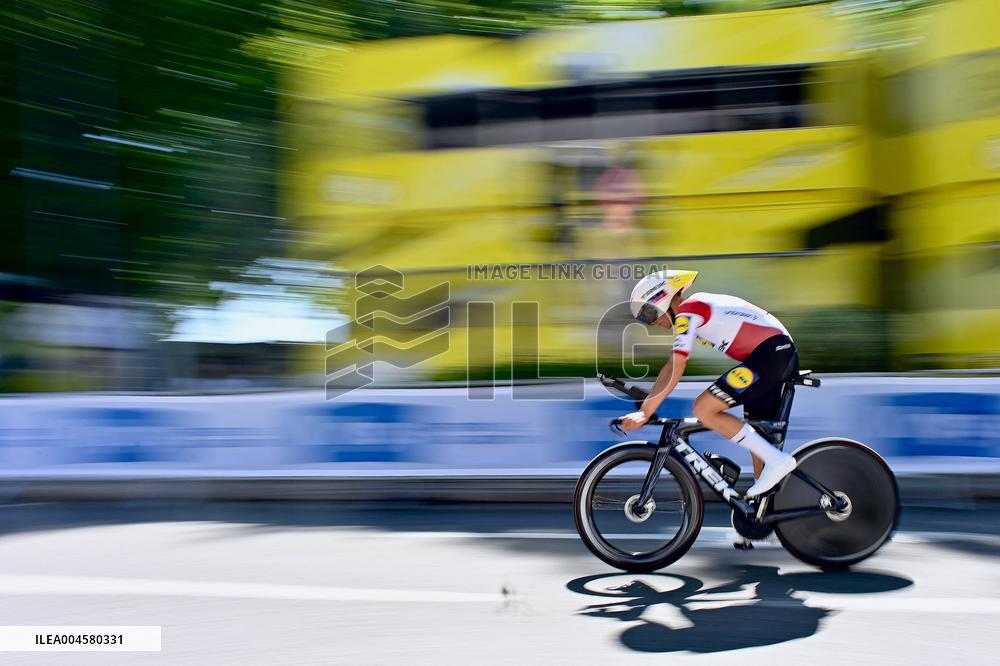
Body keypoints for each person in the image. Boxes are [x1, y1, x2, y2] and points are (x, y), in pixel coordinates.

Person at [621, 269, 799, 497]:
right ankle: (760, 519)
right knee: (759, 439)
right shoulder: (690, 311)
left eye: (647, 313)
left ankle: (778, 460)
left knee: (704, 407)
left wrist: (646, 412)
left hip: (772, 355)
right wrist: (648, 405)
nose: (650, 322)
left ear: (662, 299)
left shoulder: (687, 311)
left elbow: (677, 366)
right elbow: (671, 366)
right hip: (771, 355)